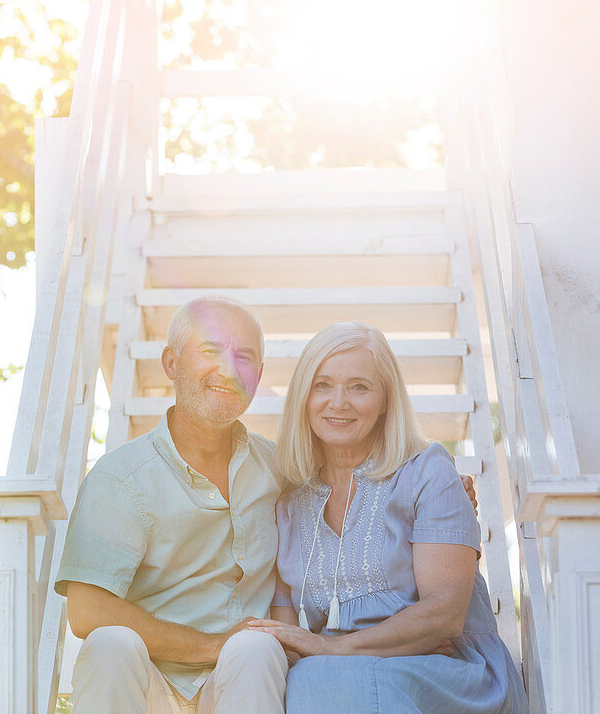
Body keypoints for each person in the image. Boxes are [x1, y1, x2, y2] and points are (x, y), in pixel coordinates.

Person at [247, 321, 526, 713]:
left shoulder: (426, 472)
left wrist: (333, 647)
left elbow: (444, 615)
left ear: (386, 400)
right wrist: (326, 651)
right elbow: (289, 633)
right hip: (338, 678)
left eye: (359, 386)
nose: (338, 401)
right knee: (297, 679)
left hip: (444, 673)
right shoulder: (290, 504)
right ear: (303, 397)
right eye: (322, 385)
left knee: (317, 678)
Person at [54, 296, 289, 713]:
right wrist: (212, 645)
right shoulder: (120, 477)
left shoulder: (281, 470)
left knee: (256, 649)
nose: (228, 369)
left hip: (242, 679)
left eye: (245, 357)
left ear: (259, 376)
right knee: (109, 642)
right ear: (170, 363)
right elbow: (87, 612)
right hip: (149, 684)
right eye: (210, 351)